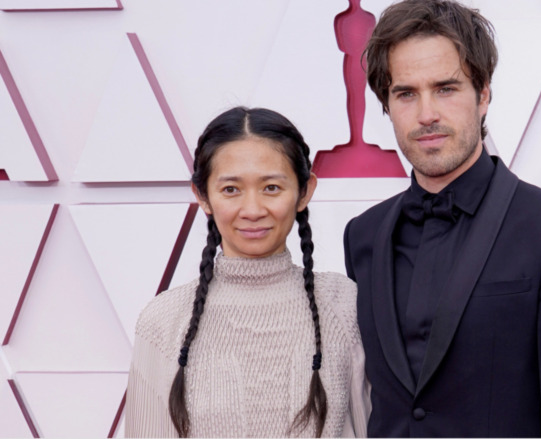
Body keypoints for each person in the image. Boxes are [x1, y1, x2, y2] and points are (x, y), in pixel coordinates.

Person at [342, 0, 541, 436]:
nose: (426, 114)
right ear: (387, 105)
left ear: (483, 94)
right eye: (406, 93)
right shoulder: (363, 236)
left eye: (445, 88)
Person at [125, 107, 369, 437]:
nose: (252, 210)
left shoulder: (343, 306)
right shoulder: (164, 321)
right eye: (231, 190)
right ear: (203, 196)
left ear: (304, 192)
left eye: (271, 187)